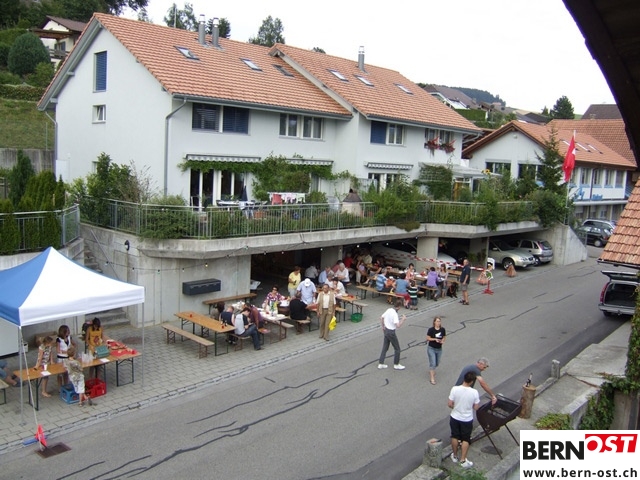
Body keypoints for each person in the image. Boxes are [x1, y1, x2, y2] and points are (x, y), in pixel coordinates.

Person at [448, 370, 480, 468]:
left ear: (464, 379)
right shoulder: (474, 392)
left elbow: (450, 404)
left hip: (455, 416)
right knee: (466, 438)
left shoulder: (455, 389)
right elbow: (476, 407)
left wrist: (455, 407)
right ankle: (463, 460)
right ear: (472, 381)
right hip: (467, 419)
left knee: (454, 436)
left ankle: (454, 455)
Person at [378, 299, 406, 370]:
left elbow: (381, 317)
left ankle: (381, 363)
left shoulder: (389, 310)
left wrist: (383, 326)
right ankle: (396, 364)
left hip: (386, 330)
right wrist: (403, 319)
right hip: (391, 332)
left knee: (385, 347)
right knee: (397, 349)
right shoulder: (395, 314)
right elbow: (398, 325)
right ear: (399, 307)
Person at [426, 316, 446, 385]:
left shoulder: (442, 329)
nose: (438, 323)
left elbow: (444, 337)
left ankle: (432, 369)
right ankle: (432, 378)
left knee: (437, 363)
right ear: (434, 322)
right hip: (431, 348)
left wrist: (443, 341)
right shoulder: (431, 330)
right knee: (433, 363)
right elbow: (428, 338)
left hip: (439, 349)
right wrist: (435, 339)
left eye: (439, 321)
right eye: (437, 321)